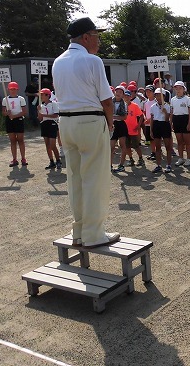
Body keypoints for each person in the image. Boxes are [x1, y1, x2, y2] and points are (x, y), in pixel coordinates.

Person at [52, 17, 119, 247]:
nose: (99, 41)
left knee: (75, 178)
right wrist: (110, 125)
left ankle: (79, 230)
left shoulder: (58, 61)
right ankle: (93, 234)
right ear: (86, 37)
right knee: (95, 179)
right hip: (90, 121)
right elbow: (107, 101)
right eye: (96, 36)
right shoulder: (92, 60)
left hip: (66, 122)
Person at [2, 81, 28, 167]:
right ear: (8, 89)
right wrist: (7, 113)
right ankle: (14, 159)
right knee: (12, 140)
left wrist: (15, 115)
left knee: (20, 140)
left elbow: (24, 112)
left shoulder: (21, 99)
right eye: (11, 89)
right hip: (9, 120)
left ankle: (23, 158)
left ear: (17, 90)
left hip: (19, 120)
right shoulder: (5, 99)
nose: (13, 91)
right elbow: (3, 112)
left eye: (14, 89)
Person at [170, 81, 190, 167]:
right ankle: (181, 158)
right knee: (179, 141)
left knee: (187, 141)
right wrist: (171, 122)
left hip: (185, 119)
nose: (178, 90)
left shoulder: (188, 99)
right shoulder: (173, 99)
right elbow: (172, 112)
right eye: (176, 88)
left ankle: (188, 158)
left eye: (180, 88)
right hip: (177, 120)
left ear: (184, 89)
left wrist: (189, 123)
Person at [37, 88, 62, 170]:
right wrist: (39, 111)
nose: (41, 96)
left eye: (42, 95)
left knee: (52, 145)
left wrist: (44, 115)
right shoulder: (41, 105)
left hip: (52, 124)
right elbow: (40, 118)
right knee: (47, 144)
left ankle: (58, 160)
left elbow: (55, 115)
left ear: (48, 95)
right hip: (44, 124)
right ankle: (51, 161)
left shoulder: (53, 104)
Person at [150, 88, 173, 173]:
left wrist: (165, 112)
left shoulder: (167, 106)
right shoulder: (153, 106)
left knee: (168, 146)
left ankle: (169, 165)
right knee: (158, 147)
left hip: (165, 125)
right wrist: (151, 130)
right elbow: (152, 119)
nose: (158, 97)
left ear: (164, 96)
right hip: (156, 125)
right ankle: (158, 165)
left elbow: (167, 119)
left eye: (160, 95)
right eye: (156, 95)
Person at [123, 90, 145, 167]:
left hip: (133, 129)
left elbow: (141, 115)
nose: (126, 97)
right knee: (127, 146)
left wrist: (139, 125)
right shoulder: (121, 106)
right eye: (125, 96)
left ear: (130, 97)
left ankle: (141, 159)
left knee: (136, 146)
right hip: (124, 130)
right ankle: (131, 159)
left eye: (128, 96)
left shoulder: (135, 106)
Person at [110, 86, 129, 173]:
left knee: (122, 145)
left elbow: (124, 117)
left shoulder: (124, 104)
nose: (118, 93)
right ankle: (109, 165)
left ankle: (121, 165)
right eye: (117, 91)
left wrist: (113, 116)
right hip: (112, 124)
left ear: (122, 95)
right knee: (111, 146)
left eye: (120, 92)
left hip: (121, 125)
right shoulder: (110, 102)